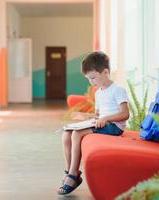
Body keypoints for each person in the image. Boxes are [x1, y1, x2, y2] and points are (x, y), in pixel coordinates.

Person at [58, 51, 130, 195]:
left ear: (105, 72)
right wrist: (85, 116)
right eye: (88, 79)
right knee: (66, 134)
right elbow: (98, 115)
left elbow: (125, 114)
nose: (92, 82)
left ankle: (73, 175)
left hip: (114, 127)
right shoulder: (98, 93)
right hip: (102, 123)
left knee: (77, 134)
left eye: (93, 78)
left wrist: (106, 119)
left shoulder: (118, 90)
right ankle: (70, 172)